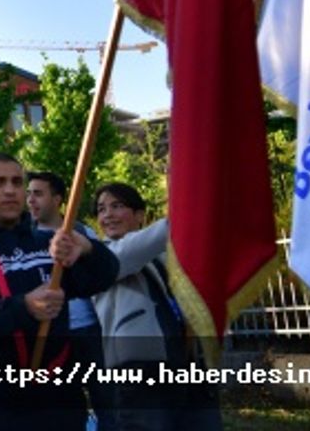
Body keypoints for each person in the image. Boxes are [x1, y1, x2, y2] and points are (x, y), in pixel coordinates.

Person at [0, 153, 119, 431]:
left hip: (61, 403)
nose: (10, 190)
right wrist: (23, 308)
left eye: (17, 182)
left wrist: (88, 249)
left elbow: (105, 277)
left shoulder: (49, 244)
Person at [90, 183, 221, 431]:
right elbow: (160, 234)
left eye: (117, 206)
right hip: (140, 373)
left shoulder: (161, 256)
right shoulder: (102, 256)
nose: (107, 215)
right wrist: (194, 201)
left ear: (140, 215)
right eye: (101, 209)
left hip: (185, 363)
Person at [27, 170, 111, 430]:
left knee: (106, 402)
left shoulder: (83, 233)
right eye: (28, 194)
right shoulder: (24, 239)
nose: (30, 200)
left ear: (58, 199)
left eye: (38, 194)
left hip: (89, 332)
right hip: (51, 335)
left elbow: (101, 274)